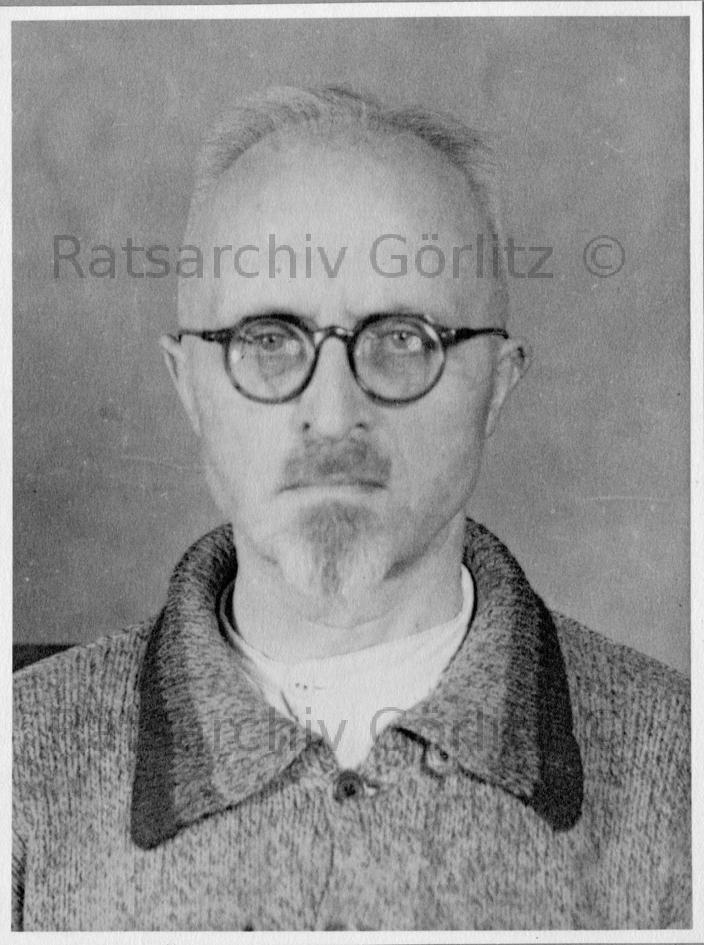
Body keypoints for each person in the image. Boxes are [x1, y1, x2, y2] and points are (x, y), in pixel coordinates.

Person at [13, 86, 690, 931]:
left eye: (404, 338)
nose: (333, 415)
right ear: (188, 386)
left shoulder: (683, 774)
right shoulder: (19, 760)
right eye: (267, 339)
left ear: (497, 384)